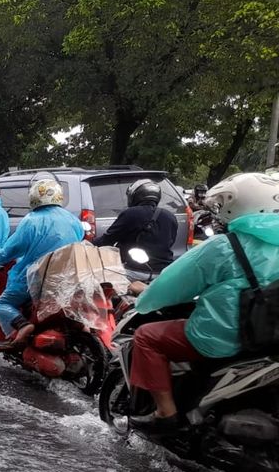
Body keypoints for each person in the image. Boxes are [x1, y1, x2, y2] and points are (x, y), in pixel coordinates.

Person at [128, 172, 279, 432]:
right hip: (271, 338)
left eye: (224, 204)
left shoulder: (224, 246)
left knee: (146, 337)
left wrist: (143, 299)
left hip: (226, 336)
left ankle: (166, 413)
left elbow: (172, 284)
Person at [0, 178, 85, 348]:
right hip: (68, 278)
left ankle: (22, 326)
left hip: (37, 279)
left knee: (1, 304)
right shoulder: (73, 219)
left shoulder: (31, 220)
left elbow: (10, 251)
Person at [93, 178, 178, 279]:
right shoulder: (170, 216)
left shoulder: (130, 213)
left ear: (135, 195)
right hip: (164, 272)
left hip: (134, 271)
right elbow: (171, 242)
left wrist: (88, 244)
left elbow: (107, 240)